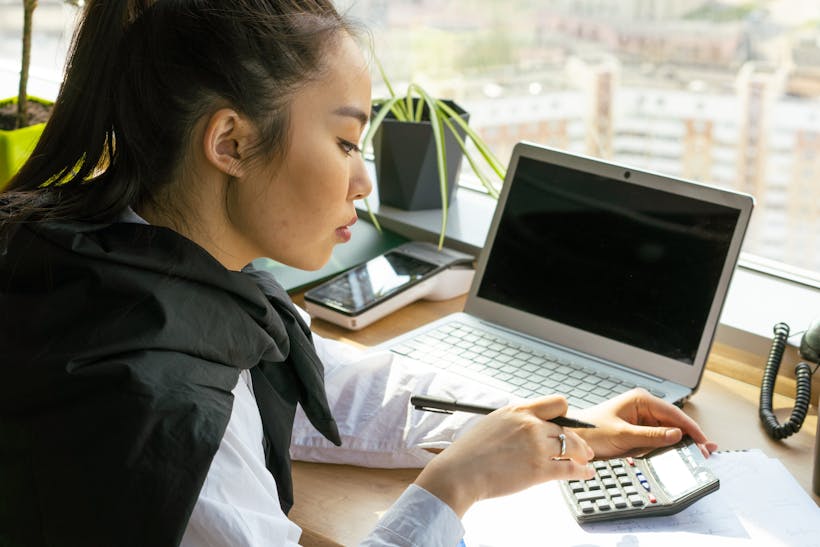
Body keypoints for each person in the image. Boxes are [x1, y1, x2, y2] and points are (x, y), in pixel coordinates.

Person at [0, 1, 718, 546]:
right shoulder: (167, 417)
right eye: (345, 141)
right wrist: (453, 485)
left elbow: (331, 381)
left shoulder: (111, 254)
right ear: (230, 141)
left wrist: (566, 419)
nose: (363, 182)